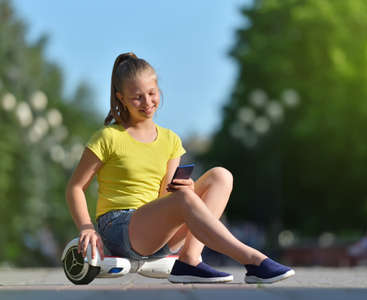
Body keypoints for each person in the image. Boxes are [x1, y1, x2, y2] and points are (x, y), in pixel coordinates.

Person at [66, 52, 294, 284]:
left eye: (152, 93)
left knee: (221, 176)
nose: (147, 102)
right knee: (184, 199)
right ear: (121, 98)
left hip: (157, 233)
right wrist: (86, 227)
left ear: (158, 90)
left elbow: (165, 197)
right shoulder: (108, 137)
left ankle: (190, 260)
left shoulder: (170, 140)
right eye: (137, 97)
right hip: (119, 229)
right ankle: (253, 259)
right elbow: (75, 187)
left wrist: (186, 189)